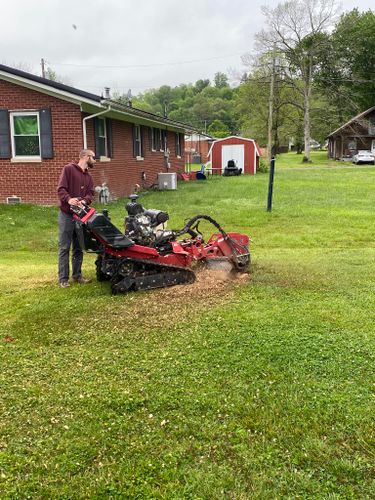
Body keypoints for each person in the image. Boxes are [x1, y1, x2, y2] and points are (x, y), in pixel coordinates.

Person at [57, 149, 96, 288]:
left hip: (80, 216)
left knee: (78, 247)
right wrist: (69, 199)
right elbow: (61, 189)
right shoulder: (68, 169)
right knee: (64, 247)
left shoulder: (89, 177)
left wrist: (84, 201)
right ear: (85, 157)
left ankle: (77, 275)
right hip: (66, 215)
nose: (94, 160)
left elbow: (91, 194)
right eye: (93, 157)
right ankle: (63, 279)